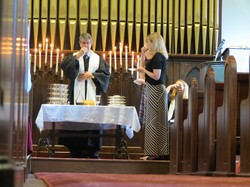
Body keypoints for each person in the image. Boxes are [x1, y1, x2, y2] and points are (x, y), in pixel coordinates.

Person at [59, 33, 110, 158]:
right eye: (83, 43)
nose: (85, 45)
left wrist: (91, 75)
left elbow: (105, 74)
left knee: (92, 122)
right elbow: (66, 68)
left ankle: (92, 151)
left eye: (88, 43)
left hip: (93, 95)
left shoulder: (98, 59)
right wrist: (78, 57)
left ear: (91, 44)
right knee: (75, 121)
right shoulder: (74, 56)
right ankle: (75, 150)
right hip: (76, 95)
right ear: (79, 43)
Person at [136, 32, 169, 160]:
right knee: (151, 122)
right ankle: (151, 153)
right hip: (151, 89)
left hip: (157, 90)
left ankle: (158, 153)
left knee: (156, 122)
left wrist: (143, 70)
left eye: (148, 42)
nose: (147, 44)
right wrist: (142, 53)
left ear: (154, 42)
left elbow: (156, 76)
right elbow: (143, 68)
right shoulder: (153, 57)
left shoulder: (158, 57)